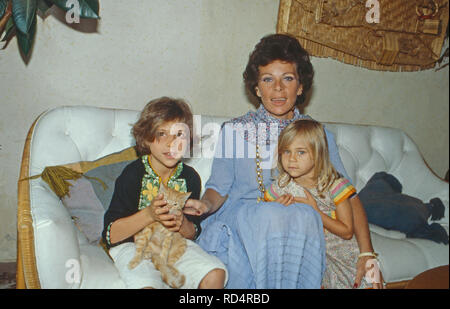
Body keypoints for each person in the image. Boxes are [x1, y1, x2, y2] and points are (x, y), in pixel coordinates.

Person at [184, 33, 383, 289]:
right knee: (274, 215)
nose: (278, 88)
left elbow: (348, 196)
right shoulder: (235, 131)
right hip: (243, 225)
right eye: (268, 79)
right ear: (257, 88)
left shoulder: (316, 135)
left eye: (287, 78)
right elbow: (218, 188)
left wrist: (367, 256)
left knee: (298, 218)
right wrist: (204, 204)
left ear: (300, 87)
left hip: (300, 227)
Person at [102, 97, 227, 289]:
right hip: (132, 246)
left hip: (172, 244)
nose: (171, 143)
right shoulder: (132, 175)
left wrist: (184, 223)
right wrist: (149, 214)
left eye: (179, 135)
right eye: (162, 133)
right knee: (146, 285)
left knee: (215, 274)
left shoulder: (190, 178)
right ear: (145, 138)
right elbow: (111, 235)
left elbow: (191, 233)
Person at [265, 119, 368, 288]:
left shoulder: (334, 184)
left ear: (318, 153)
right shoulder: (282, 185)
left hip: (343, 253)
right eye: (286, 152)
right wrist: (274, 208)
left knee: (368, 280)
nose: (291, 159)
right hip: (308, 254)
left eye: (301, 152)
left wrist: (315, 211)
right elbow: (261, 212)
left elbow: (347, 231)